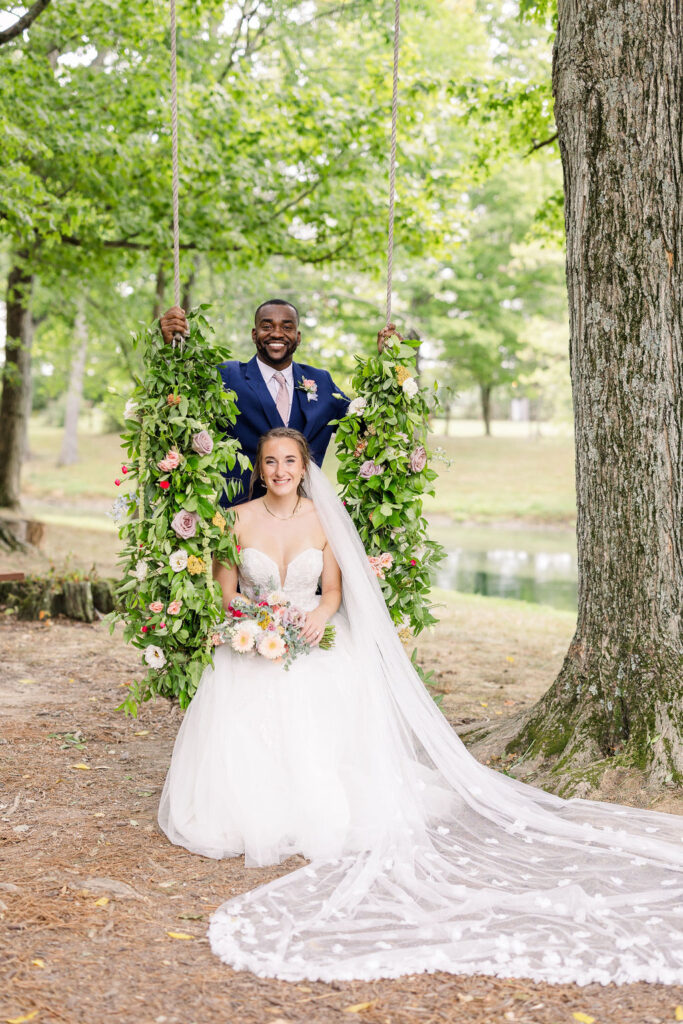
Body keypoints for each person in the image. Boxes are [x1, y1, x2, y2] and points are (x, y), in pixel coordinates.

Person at [158, 428, 683, 986]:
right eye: (271, 462)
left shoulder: (323, 520)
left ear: (304, 466)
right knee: (253, 700)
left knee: (319, 699)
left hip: (312, 637)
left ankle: (314, 803)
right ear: (259, 469)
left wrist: (312, 618)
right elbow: (227, 594)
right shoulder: (235, 520)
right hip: (256, 638)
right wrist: (263, 620)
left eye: (290, 460)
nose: (281, 470)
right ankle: (257, 805)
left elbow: (332, 593)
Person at [160, 301, 394, 506]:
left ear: (298, 337)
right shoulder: (227, 375)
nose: (277, 333)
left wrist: (389, 365)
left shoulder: (321, 381)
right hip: (242, 516)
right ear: (254, 334)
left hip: (305, 517)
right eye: (267, 326)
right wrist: (171, 349)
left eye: (287, 327)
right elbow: (180, 399)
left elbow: (366, 427)